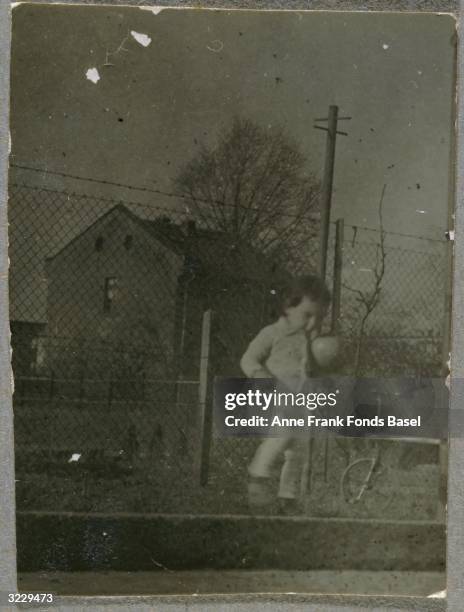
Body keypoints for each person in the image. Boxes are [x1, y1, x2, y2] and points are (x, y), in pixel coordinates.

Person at [240, 274, 336, 514]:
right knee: (282, 435)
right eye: (307, 315)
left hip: (299, 401)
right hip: (275, 396)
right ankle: (258, 477)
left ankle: (288, 497)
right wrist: (260, 375)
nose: (313, 324)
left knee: (298, 449)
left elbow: (312, 371)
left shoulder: (311, 341)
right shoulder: (272, 333)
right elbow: (248, 359)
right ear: (287, 307)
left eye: (320, 318)